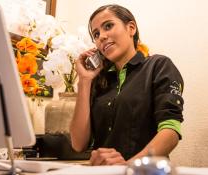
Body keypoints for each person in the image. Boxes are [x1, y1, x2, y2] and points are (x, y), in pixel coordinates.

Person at [70, 4, 184, 165]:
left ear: (131, 28)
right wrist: (84, 80)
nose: (101, 36)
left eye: (108, 26)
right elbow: (78, 144)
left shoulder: (158, 66)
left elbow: (171, 131)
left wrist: (128, 168)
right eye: (96, 34)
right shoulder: (99, 81)